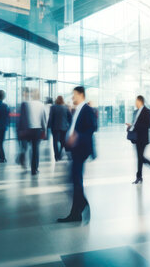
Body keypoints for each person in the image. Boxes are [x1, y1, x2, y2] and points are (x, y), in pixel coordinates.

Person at [58, 86, 97, 223]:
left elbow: (92, 127)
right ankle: (77, 211)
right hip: (75, 148)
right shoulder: (77, 109)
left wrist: (77, 137)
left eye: (74, 94)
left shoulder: (87, 109)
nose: (72, 97)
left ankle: (80, 207)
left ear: (81, 94)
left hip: (81, 149)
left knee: (75, 179)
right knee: (75, 179)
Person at [127, 95, 150, 184]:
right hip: (136, 138)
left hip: (143, 138)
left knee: (141, 157)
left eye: (136, 101)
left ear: (140, 101)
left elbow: (149, 124)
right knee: (140, 158)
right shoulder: (136, 112)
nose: (135, 103)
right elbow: (135, 123)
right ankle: (140, 177)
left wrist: (135, 126)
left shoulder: (147, 111)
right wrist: (131, 126)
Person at [17, 88, 47, 175]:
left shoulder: (27, 104)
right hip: (37, 129)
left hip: (28, 129)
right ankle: (34, 168)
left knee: (28, 148)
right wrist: (44, 129)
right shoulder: (41, 105)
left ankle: (26, 162)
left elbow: (23, 117)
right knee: (35, 149)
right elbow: (43, 119)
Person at [48, 95, 72, 161]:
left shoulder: (53, 107)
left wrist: (48, 126)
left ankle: (56, 156)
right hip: (64, 128)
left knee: (55, 142)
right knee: (62, 141)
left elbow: (51, 117)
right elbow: (70, 117)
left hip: (55, 127)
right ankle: (60, 153)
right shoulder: (65, 108)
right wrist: (69, 125)